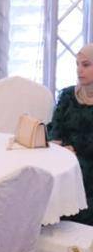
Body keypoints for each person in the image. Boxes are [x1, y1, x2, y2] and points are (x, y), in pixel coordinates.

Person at [48, 43, 93, 225]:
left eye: (86, 65)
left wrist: (73, 149)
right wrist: (59, 146)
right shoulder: (68, 95)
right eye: (77, 64)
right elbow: (55, 127)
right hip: (64, 156)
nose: (79, 70)